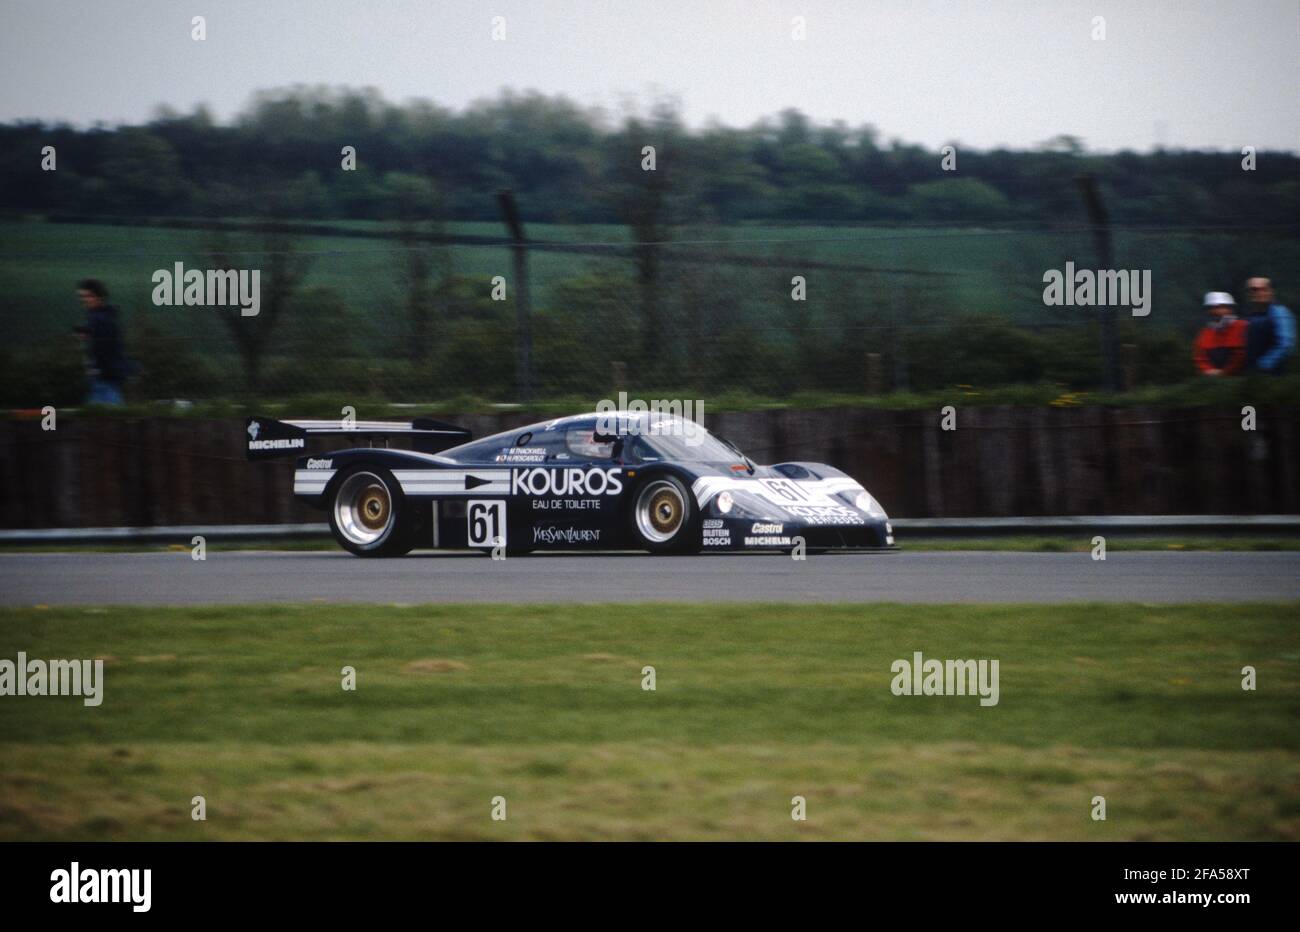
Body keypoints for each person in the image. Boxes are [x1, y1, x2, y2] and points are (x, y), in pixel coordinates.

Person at [73, 278, 128, 405]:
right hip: (105, 374)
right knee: (106, 411)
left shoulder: (100, 318)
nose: (85, 300)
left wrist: (97, 368)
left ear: (100, 297)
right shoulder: (100, 316)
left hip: (105, 374)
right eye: (82, 296)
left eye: (89, 296)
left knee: (107, 411)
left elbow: (106, 346)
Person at [1242, 277, 1295, 374]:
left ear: (1271, 292)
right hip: (1251, 373)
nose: (1258, 293)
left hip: (1273, 375)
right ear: (1248, 293)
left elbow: (1285, 344)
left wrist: (1264, 365)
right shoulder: (1249, 315)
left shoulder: (1280, 312)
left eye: (1263, 289)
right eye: (1253, 290)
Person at [1193, 292, 1248, 376]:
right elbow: (1199, 356)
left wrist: (1225, 372)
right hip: (1213, 378)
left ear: (1230, 309)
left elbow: (1241, 354)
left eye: (1220, 307)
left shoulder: (1242, 326)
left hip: (1240, 376)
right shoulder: (1205, 332)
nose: (1215, 311)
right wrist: (1208, 370)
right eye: (1211, 308)